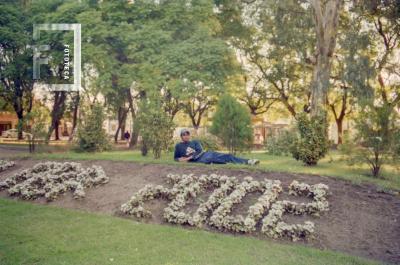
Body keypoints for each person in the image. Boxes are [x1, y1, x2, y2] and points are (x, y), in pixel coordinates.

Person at [174, 128, 260, 165]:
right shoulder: (178, 146)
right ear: (181, 136)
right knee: (223, 159)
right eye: (184, 135)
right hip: (202, 160)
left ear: (189, 135)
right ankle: (247, 162)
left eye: (187, 134)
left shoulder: (195, 142)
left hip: (205, 155)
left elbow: (199, 151)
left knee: (227, 156)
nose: (186, 136)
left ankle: (249, 161)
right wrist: (179, 160)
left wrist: (188, 158)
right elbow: (176, 157)